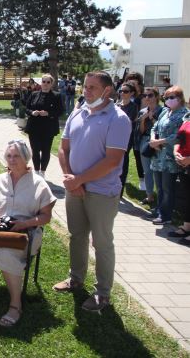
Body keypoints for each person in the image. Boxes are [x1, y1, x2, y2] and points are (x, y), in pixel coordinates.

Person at [54, 71, 131, 312]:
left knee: (102, 242)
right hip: (75, 189)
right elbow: (63, 148)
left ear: (107, 90)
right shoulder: (77, 113)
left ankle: (102, 293)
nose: (86, 91)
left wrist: (79, 180)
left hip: (102, 192)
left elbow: (112, 160)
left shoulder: (118, 119)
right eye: (85, 86)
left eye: (92, 87)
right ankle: (76, 278)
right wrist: (70, 178)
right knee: (77, 235)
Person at [0, 139, 55, 327]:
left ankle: (15, 306)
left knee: (8, 253)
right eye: (9, 156)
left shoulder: (39, 184)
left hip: (25, 235)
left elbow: (46, 217)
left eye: (16, 156)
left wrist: (25, 223)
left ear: (26, 158)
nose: (12, 160)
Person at [149, 86, 188, 225]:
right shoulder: (165, 112)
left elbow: (179, 136)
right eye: (165, 97)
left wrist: (160, 141)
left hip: (170, 158)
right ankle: (159, 210)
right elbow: (155, 127)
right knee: (159, 186)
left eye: (171, 97)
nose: (167, 100)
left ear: (180, 98)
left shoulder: (184, 114)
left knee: (167, 188)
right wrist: (153, 139)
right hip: (158, 156)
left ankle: (165, 215)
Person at [24, 73, 63, 178]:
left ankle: (43, 172)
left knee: (46, 151)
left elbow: (60, 111)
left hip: (48, 128)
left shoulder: (56, 96)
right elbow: (26, 108)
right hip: (34, 127)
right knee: (35, 150)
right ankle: (36, 171)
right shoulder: (34, 94)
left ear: (51, 84)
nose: (45, 84)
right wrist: (32, 112)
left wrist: (48, 113)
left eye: (48, 82)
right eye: (43, 81)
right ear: (41, 83)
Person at [136, 88, 163, 208]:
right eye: (145, 95)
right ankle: (149, 196)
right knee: (147, 171)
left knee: (158, 171)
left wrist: (152, 119)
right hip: (145, 141)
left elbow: (161, 130)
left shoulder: (163, 111)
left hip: (158, 142)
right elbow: (141, 131)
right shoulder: (142, 111)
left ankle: (162, 197)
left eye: (150, 95)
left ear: (156, 97)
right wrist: (143, 120)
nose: (147, 98)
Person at [170, 108, 190, 245]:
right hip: (184, 164)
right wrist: (176, 151)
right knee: (187, 196)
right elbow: (179, 138)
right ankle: (187, 226)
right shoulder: (187, 117)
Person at [116, 82, 139, 197]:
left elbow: (128, 122)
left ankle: (119, 190)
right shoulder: (116, 105)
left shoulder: (133, 107)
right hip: (114, 136)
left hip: (126, 138)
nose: (122, 93)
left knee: (123, 162)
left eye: (125, 91)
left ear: (131, 93)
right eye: (121, 91)